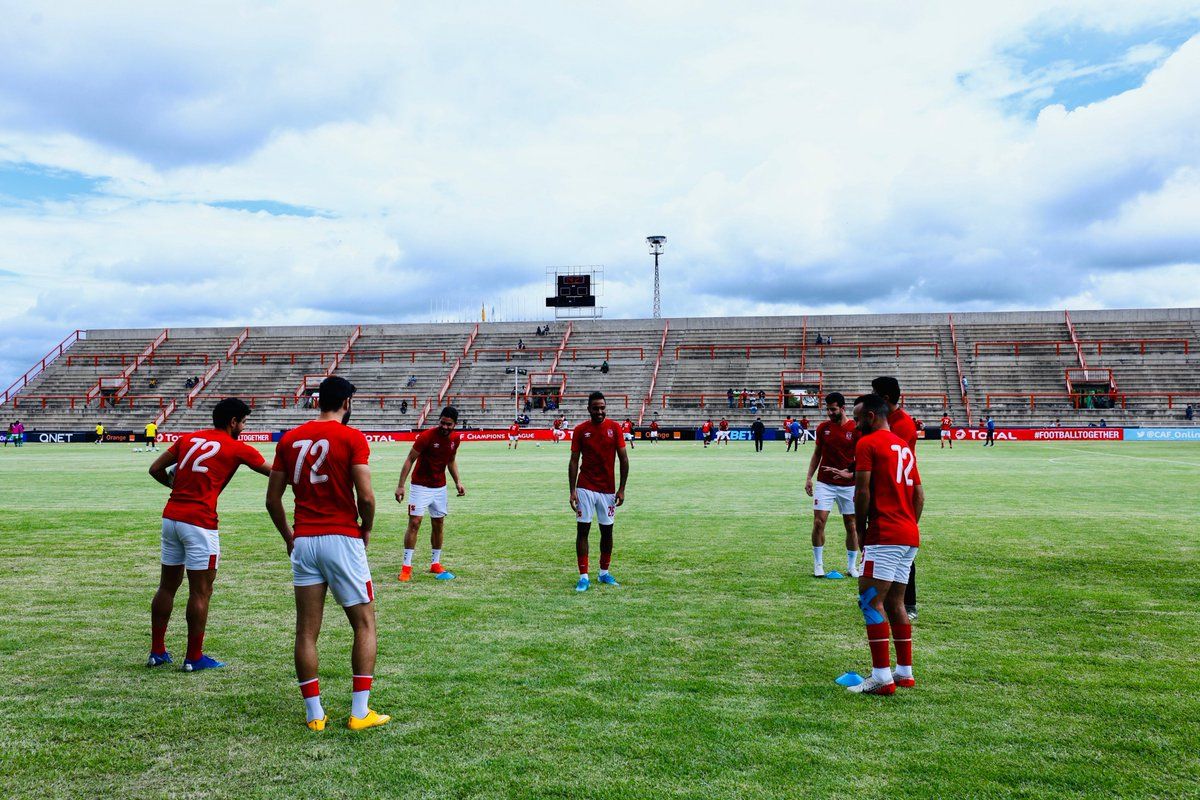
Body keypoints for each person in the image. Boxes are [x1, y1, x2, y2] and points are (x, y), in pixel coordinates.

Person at [265, 376, 388, 732]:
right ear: (347, 402)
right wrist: (367, 527)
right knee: (364, 624)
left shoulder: (289, 439)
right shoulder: (351, 437)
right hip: (341, 537)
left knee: (306, 630)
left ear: (319, 401)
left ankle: (314, 715)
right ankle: (359, 712)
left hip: (304, 540)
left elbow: (272, 500)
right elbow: (366, 497)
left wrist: (289, 536)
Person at [146, 398, 270, 671]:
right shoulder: (237, 447)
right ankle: (194, 657)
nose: (244, 428)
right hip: (200, 523)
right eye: (243, 422)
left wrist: (175, 486)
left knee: (167, 586)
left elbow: (155, 469)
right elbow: (274, 473)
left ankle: (157, 652)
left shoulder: (187, 439)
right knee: (201, 591)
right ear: (233, 422)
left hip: (171, 517)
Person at [845, 393, 924, 696]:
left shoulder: (868, 443)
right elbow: (919, 496)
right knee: (895, 603)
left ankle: (881, 677)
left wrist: (862, 528)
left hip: (885, 534)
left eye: (857, 418)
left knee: (870, 601)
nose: (855, 424)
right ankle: (904, 672)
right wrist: (909, 524)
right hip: (908, 534)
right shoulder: (903, 445)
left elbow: (862, 491)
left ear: (871, 416)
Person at [394, 406, 466, 583]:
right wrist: (401, 486)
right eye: (442, 423)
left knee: (438, 523)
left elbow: (451, 461)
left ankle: (435, 563)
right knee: (414, 523)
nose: (445, 427)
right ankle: (406, 567)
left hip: (440, 488)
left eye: (449, 424)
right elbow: (410, 459)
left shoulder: (455, 439)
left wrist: (458, 482)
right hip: (420, 486)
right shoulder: (426, 436)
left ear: (455, 425)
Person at [569, 392, 630, 592]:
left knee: (607, 531)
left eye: (602, 407)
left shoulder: (615, 428)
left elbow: (624, 459)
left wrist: (621, 489)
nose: (599, 411)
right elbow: (574, 461)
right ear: (589, 409)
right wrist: (572, 491)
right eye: (595, 408)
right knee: (583, 530)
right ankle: (583, 577)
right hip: (585, 487)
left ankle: (604, 573)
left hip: (608, 490)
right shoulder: (580, 430)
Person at [871, 376, 920, 620]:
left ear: (885, 397)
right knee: (886, 546)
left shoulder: (902, 424)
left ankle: (907, 603)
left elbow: (891, 459)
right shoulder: (890, 419)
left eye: (874, 393)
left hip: (899, 491)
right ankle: (886, 598)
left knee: (901, 548)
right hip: (887, 489)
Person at [805, 392, 860, 578]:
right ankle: (818, 564)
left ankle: (852, 566)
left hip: (849, 484)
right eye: (827, 409)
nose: (829, 413)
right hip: (825, 483)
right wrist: (809, 477)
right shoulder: (823, 428)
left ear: (843, 408)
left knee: (851, 525)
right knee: (818, 522)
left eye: (833, 409)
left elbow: (862, 457)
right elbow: (817, 453)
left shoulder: (855, 429)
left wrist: (851, 474)